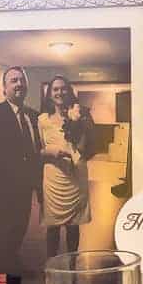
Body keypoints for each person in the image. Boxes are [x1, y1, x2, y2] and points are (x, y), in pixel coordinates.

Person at [0, 66, 41, 275]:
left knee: (17, 234)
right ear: (4, 88)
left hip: (24, 191)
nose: (19, 84)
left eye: (22, 80)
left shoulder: (33, 116)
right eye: (13, 80)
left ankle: (13, 266)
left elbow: (35, 153)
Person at [38, 75, 94, 258]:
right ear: (50, 94)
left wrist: (79, 126)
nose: (59, 92)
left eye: (63, 89)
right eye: (55, 89)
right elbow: (38, 149)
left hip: (75, 175)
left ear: (69, 92)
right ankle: (52, 264)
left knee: (73, 225)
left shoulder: (81, 115)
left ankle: (72, 263)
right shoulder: (42, 120)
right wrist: (53, 152)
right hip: (53, 176)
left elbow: (87, 146)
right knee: (52, 226)